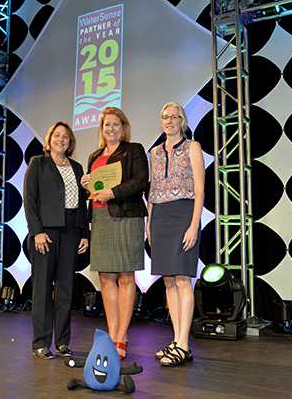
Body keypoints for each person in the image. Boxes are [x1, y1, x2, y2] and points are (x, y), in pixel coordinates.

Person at [80, 107, 149, 360]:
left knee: (126, 276)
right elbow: (93, 189)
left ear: (124, 127)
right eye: (106, 125)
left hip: (126, 217)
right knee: (106, 278)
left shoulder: (134, 150)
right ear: (102, 129)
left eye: (116, 124)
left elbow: (141, 181)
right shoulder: (94, 155)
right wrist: (86, 184)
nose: (111, 129)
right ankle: (111, 334)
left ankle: (122, 335)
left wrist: (113, 192)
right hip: (99, 217)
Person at [24, 121, 90, 360]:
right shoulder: (38, 163)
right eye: (56, 135)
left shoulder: (78, 167)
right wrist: (37, 231)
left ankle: (62, 342)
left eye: (66, 136)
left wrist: (85, 232)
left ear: (71, 142)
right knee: (42, 288)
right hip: (46, 232)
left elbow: (84, 202)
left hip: (72, 230)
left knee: (65, 289)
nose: (61, 139)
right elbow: (30, 199)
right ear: (49, 139)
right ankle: (40, 343)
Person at [146, 102, 205, 367]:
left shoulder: (193, 147)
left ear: (182, 120)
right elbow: (153, 188)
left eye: (173, 116)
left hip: (183, 215)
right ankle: (175, 339)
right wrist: (149, 221)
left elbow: (200, 190)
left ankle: (184, 343)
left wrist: (194, 224)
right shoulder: (155, 152)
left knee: (182, 279)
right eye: (165, 117)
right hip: (159, 216)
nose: (169, 121)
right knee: (168, 281)